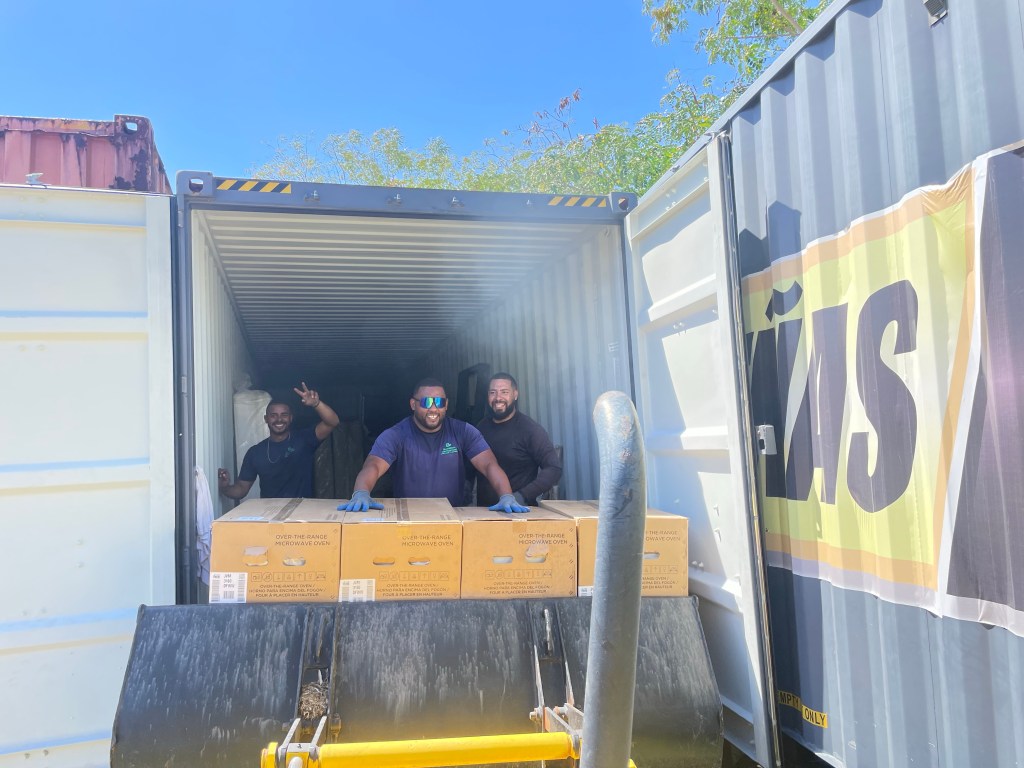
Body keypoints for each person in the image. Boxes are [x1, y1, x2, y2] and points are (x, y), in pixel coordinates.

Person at [339, 378, 528, 513]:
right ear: (413, 404)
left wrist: (506, 495)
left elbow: (489, 465)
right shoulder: (396, 435)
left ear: (446, 405)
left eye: (439, 402)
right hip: (409, 519)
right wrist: (361, 492)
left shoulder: (463, 431)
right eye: (426, 402)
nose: (433, 408)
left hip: (451, 518)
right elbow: (373, 465)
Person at [218, 382, 340, 499]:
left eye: (284, 415)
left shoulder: (304, 440)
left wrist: (316, 404)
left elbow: (332, 422)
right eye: (273, 415)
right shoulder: (255, 453)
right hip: (270, 511)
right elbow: (241, 489)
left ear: (291, 418)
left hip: (302, 509)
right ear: (266, 419)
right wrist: (225, 487)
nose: (279, 419)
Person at [475, 372, 562, 508]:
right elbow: (468, 470)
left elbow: (553, 468)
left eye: (504, 392)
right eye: (493, 392)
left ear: (515, 394)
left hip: (519, 512)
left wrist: (522, 496)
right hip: (484, 513)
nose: (498, 398)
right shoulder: (481, 427)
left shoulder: (530, 430)